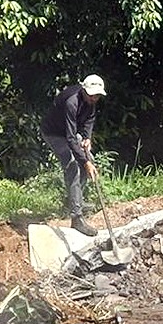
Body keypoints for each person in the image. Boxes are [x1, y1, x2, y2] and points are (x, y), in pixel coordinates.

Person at [40, 74, 106, 236]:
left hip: (69, 132)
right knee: (73, 166)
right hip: (54, 133)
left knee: (89, 160)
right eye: (91, 95)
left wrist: (87, 138)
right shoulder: (72, 102)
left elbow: (89, 120)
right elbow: (70, 138)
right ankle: (76, 218)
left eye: (97, 96)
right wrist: (85, 162)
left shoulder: (91, 100)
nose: (94, 99)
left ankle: (76, 202)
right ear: (84, 90)